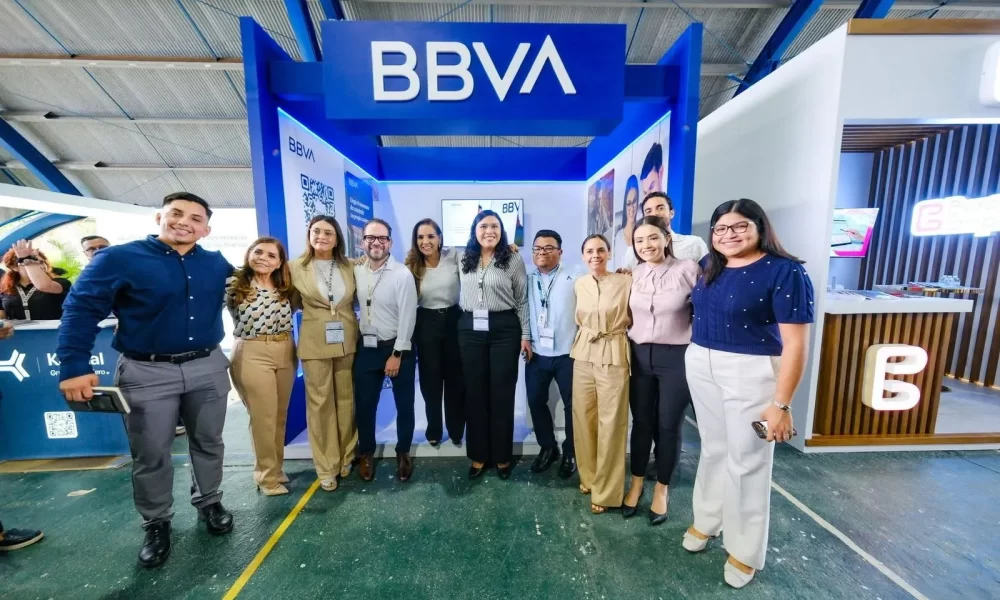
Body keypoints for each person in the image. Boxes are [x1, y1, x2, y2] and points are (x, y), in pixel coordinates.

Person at [57, 192, 235, 569]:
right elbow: (80, 308)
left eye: (195, 217)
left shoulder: (216, 264)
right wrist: (73, 365)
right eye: (176, 213)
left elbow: (257, 286)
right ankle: (157, 522)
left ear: (206, 229)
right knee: (152, 451)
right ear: (160, 217)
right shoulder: (120, 258)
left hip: (207, 365)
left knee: (209, 441)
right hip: (146, 370)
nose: (184, 221)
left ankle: (210, 501)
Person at [683, 198, 814, 589]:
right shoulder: (711, 266)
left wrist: (781, 403)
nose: (729, 235)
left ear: (760, 227)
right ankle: (707, 520)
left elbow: (795, 345)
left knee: (748, 459)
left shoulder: (785, 272)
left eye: (739, 226)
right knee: (714, 448)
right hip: (701, 360)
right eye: (721, 229)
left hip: (751, 369)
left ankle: (744, 550)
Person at [623, 216, 699, 524]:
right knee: (641, 423)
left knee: (669, 424)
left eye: (652, 238)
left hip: (676, 357)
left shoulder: (688, 270)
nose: (646, 245)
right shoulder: (634, 273)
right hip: (639, 356)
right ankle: (638, 480)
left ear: (667, 238)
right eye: (640, 241)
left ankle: (662, 489)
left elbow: (704, 309)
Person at [457, 210, 531, 480]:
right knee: (474, 393)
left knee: (501, 393)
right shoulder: (464, 257)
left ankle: (501, 456)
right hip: (469, 330)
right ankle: (478, 455)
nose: (489, 230)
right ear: (475, 230)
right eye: (484, 226)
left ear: (502, 231)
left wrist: (526, 336)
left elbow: (522, 300)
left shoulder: (512, 257)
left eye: (495, 226)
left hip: (504, 330)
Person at [288, 215, 359, 492]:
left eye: (328, 232)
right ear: (309, 234)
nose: (321, 236)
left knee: (346, 399)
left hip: (347, 339)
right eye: (316, 231)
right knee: (319, 405)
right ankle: (326, 465)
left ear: (337, 238)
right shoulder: (294, 268)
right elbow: (291, 303)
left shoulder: (350, 266)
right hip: (315, 342)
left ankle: (346, 456)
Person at [226, 237, 295, 496]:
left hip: (286, 349)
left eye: (270, 255)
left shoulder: (285, 287)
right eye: (258, 252)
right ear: (248, 254)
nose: (263, 258)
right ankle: (266, 478)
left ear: (279, 263)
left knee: (279, 416)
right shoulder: (234, 284)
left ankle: (275, 469)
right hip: (251, 350)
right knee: (262, 417)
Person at [353, 218, 418, 482]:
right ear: (363, 242)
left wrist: (397, 354)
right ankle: (366, 452)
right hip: (367, 348)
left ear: (390, 242)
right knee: (365, 405)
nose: (376, 243)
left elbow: (408, 316)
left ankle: (402, 452)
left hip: (397, 347)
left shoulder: (402, 273)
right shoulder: (356, 271)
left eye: (382, 238)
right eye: (371, 238)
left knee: (405, 405)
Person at [570, 235, 631, 514]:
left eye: (601, 250)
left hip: (614, 349)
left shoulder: (625, 281)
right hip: (583, 351)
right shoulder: (579, 284)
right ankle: (589, 476)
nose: (595, 255)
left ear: (609, 253)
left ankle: (606, 491)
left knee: (612, 422)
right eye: (590, 251)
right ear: (583, 255)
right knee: (583, 417)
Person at [404, 219, 465, 447]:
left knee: (455, 380)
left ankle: (457, 428)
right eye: (420, 237)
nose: (425, 241)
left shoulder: (454, 257)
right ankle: (434, 428)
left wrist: (507, 249)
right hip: (426, 323)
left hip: (453, 320)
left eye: (430, 236)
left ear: (440, 238)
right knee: (430, 381)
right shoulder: (411, 264)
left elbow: (480, 257)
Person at [525, 230, 579, 478]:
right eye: (537, 248)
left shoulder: (575, 276)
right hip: (536, 353)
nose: (542, 252)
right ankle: (548, 447)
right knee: (536, 401)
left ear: (560, 251)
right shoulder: (526, 277)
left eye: (548, 248)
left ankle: (571, 452)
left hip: (569, 354)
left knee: (572, 406)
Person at [633, 192, 710, 265]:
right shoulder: (634, 250)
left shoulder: (694, 243)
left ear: (672, 213)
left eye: (660, 208)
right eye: (648, 211)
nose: (655, 214)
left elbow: (709, 274)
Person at [0, 243, 71, 321]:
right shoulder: (5, 289)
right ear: (14, 267)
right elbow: (2, 315)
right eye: (25, 263)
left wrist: (28, 260)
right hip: (18, 333)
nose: (37, 266)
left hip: (52, 331)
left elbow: (44, 286)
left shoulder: (61, 282)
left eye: (41, 262)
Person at [616, 176, 640, 270]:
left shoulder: (642, 234)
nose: (632, 208)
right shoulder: (619, 236)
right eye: (629, 203)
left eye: (634, 202)